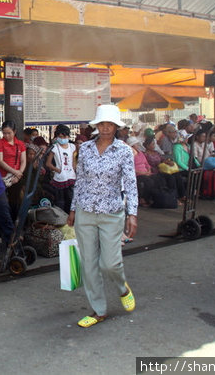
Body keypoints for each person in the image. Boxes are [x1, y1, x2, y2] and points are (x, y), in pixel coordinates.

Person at [67, 104, 138, 328]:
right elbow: (80, 181)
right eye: (102, 124)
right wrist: (73, 208)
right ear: (96, 126)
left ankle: (122, 287)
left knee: (110, 263)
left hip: (111, 213)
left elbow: (130, 183)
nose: (106, 128)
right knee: (89, 264)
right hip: (85, 212)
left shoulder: (124, 151)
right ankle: (98, 310)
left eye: (110, 124)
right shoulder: (85, 148)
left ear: (117, 127)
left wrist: (132, 214)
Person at [0, 120, 26, 218]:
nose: (7, 136)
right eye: (4, 133)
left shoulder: (20, 144)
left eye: (9, 133)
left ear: (14, 132)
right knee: (3, 203)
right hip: (3, 177)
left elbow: (23, 161)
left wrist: (19, 174)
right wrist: (15, 172)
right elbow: (0, 161)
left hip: (17, 177)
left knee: (15, 202)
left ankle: (15, 222)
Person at [45, 124, 76, 213]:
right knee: (60, 201)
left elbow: (73, 161)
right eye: (60, 136)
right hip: (60, 178)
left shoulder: (72, 147)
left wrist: (74, 171)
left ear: (68, 136)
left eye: (64, 136)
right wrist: (57, 170)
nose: (62, 138)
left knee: (70, 200)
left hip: (71, 177)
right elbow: (48, 163)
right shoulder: (54, 148)